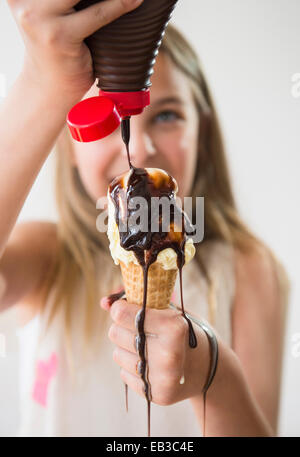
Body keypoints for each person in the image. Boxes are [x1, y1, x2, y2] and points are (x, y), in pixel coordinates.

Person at [0, 0, 290, 437]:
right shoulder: (48, 259)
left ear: (202, 132)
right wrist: (44, 85)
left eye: (169, 116)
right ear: (69, 146)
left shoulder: (250, 271)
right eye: (107, 122)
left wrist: (215, 375)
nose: (140, 147)